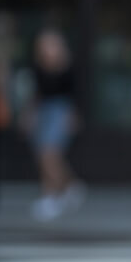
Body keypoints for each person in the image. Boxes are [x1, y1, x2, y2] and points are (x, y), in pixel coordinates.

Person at [20, 28, 87, 220]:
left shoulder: (67, 67)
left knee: (49, 153)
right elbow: (37, 95)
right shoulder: (38, 67)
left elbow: (76, 95)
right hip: (44, 111)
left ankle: (56, 193)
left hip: (61, 111)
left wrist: (73, 115)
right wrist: (29, 115)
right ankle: (64, 188)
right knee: (43, 155)